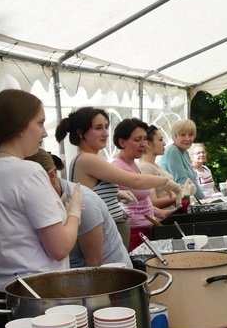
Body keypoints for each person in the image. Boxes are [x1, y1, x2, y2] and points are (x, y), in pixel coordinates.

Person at [0, 89, 83, 292]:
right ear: (19, 125)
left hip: (3, 291)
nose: (45, 132)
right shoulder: (27, 171)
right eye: (40, 123)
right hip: (36, 295)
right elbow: (60, 248)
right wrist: (74, 212)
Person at [55, 107, 181, 250]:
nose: (105, 133)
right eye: (98, 128)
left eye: (106, 127)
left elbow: (97, 194)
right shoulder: (87, 159)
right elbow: (135, 181)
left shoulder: (88, 159)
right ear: (81, 133)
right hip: (104, 235)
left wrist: (117, 195)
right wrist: (166, 181)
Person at [26, 149, 132, 268]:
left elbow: (94, 264)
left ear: (51, 176)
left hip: (110, 275)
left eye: (30, 183)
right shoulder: (40, 202)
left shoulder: (84, 201)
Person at [111, 118, 177, 251]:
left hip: (147, 228)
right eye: (137, 140)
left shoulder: (134, 164)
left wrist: (161, 213)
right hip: (134, 232)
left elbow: (141, 201)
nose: (143, 144)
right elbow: (137, 184)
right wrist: (166, 181)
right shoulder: (117, 167)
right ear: (122, 142)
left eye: (144, 139)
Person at [160, 119, 205, 199]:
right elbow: (182, 180)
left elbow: (192, 181)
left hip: (183, 197)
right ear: (174, 137)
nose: (187, 138)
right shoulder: (172, 151)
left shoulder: (185, 152)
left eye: (190, 135)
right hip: (170, 200)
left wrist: (203, 198)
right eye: (183, 135)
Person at [138, 124, 178, 210]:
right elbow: (153, 202)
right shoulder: (145, 167)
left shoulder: (154, 165)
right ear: (148, 144)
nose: (164, 143)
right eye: (160, 140)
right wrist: (181, 194)